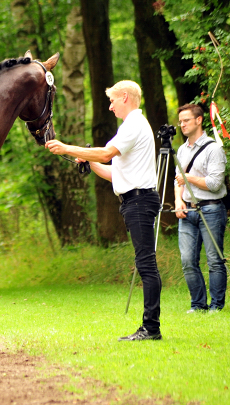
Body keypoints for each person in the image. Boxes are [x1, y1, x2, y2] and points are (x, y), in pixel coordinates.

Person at [46, 80, 162, 341]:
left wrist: (66, 148)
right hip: (135, 200)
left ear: (124, 97)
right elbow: (113, 172)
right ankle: (150, 327)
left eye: (111, 101)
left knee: (146, 265)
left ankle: (151, 329)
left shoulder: (133, 125)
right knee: (145, 264)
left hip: (140, 202)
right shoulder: (130, 127)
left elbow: (106, 153)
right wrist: (87, 157)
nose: (109, 107)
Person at [174, 104, 227, 313]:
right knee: (187, 260)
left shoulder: (214, 148)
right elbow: (177, 181)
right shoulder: (181, 149)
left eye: (186, 120)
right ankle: (197, 305)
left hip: (211, 209)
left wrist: (187, 178)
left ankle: (216, 305)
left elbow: (214, 184)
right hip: (187, 211)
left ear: (199, 120)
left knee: (214, 260)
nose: (182, 125)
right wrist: (178, 201)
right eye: (180, 121)